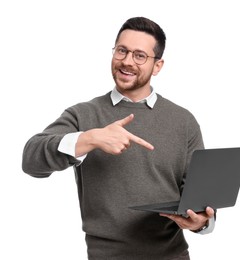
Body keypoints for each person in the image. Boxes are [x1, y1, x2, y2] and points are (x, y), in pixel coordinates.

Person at [22, 17, 215, 260]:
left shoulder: (184, 120)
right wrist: (89, 138)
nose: (127, 61)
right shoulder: (84, 114)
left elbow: (198, 198)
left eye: (139, 55)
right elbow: (31, 159)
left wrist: (200, 223)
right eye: (122, 51)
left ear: (157, 66)